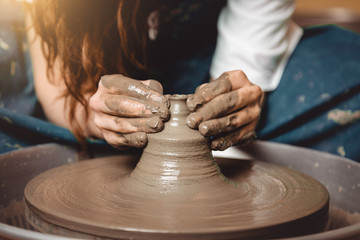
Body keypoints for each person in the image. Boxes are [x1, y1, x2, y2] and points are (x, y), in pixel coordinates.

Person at [1, 0, 360, 161]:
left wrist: (236, 107)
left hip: (207, 53)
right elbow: (63, 93)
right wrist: (95, 118)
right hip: (84, 70)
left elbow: (245, 63)